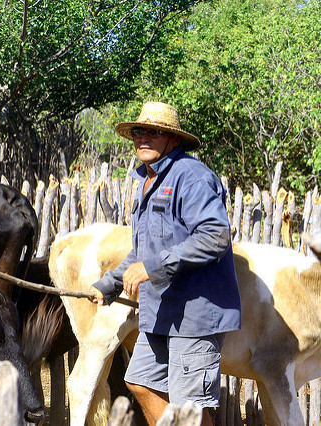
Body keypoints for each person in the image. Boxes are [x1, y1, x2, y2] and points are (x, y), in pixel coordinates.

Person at [88, 102, 241, 425]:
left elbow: (215, 236)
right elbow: (142, 251)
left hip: (195, 316)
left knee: (190, 409)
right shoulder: (147, 180)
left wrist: (152, 267)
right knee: (140, 381)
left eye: (154, 132)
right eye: (140, 132)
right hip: (162, 312)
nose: (144, 138)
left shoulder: (192, 177)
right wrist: (110, 284)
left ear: (173, 139)